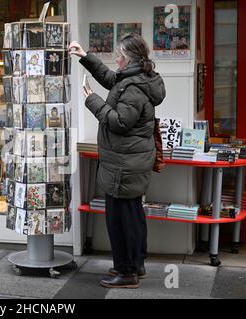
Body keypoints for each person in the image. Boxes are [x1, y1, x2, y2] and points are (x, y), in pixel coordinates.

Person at [69, 33, 166, 289]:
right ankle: (136, 264)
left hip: (124, 166)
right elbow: (111, 79)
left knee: (120, 220)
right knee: (132, 215)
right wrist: (85, 57)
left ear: (127, 59)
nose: (115, 59)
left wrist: (91, 99)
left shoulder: (134, 88)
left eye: (118, 56)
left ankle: (126, 272)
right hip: (128, 162)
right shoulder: (136, 79)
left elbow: (120, 122)